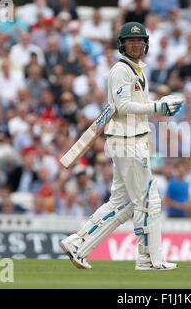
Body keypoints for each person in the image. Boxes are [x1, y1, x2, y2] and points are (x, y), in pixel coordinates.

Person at [60, 22, 183, 271]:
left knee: (122, 204)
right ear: (122, 45)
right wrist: (157, 107)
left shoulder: (137, 70)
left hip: (133, 139)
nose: (136, 46)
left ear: (146, 44)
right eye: (131, 42)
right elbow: (123, 106)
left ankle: (78, 243)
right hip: (127, 142)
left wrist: (156, 104)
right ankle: (150, 259)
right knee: (149, 200)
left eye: (139, 42)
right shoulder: (120, 70)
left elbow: (131, 105)